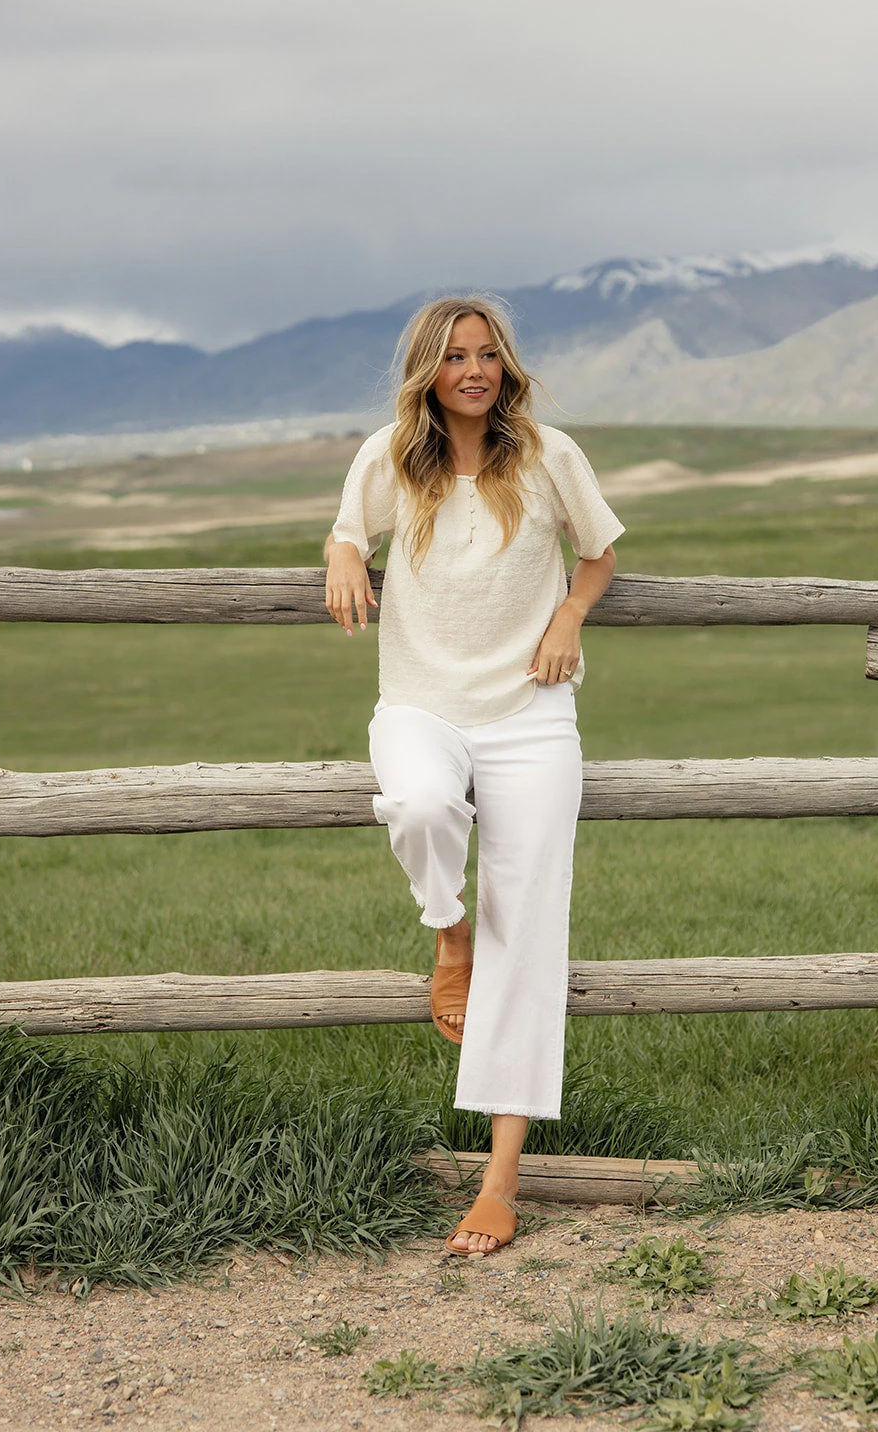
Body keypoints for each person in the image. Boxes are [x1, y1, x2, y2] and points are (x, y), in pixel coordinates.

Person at [323, 295, 623, 1256]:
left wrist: (569, 617)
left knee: (528, 927)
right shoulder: (387, 457)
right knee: (417, 805)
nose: (475, 371)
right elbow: (348, 530)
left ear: (506, 366)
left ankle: (500, 1182)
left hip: (533, 713)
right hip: (420, 703)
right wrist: (344, 554)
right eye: (455, 357)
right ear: (428, 370)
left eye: (488, 355)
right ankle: (448, 930)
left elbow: (599, 554)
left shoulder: (547, 454)